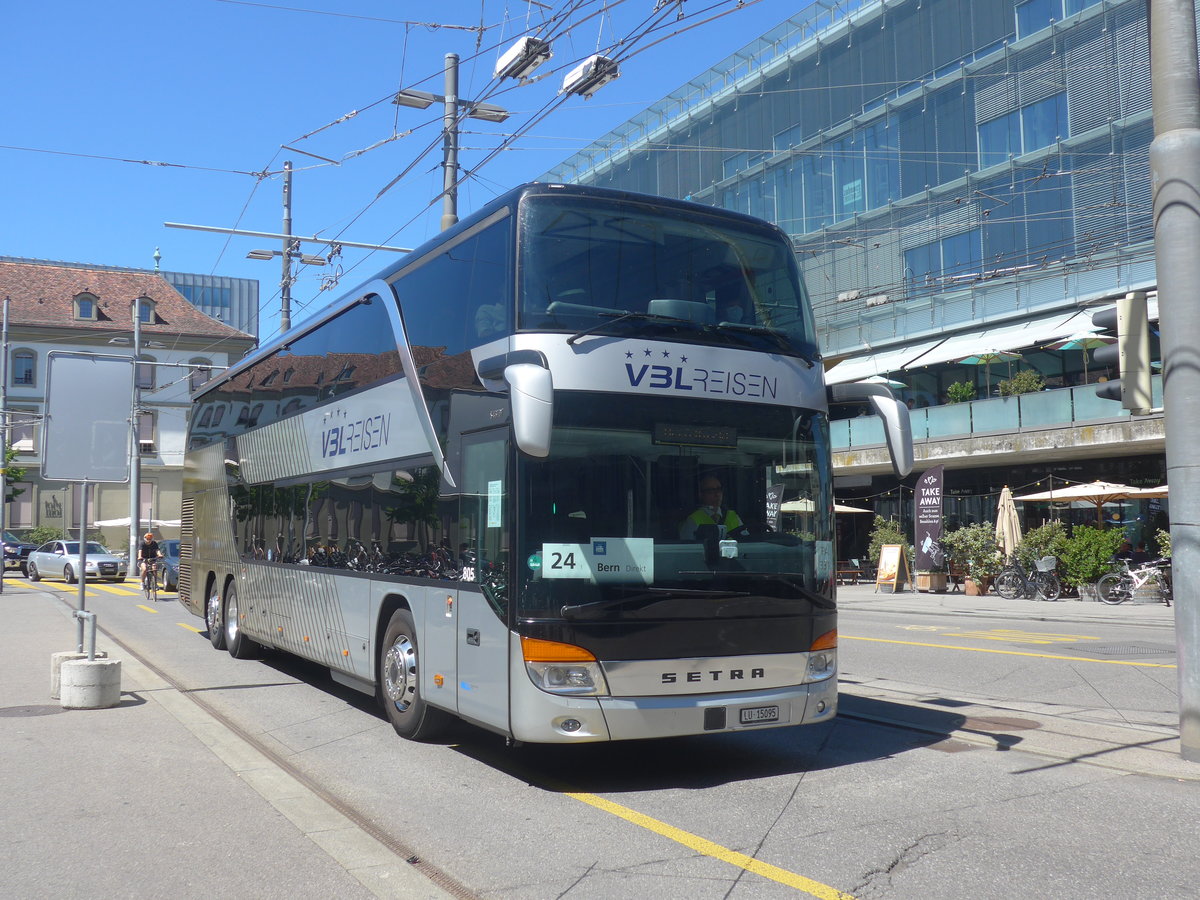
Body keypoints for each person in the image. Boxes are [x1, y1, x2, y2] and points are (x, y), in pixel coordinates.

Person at [679, 476, 748, 540]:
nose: (717, 494)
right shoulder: (692, 520)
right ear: (701, 494)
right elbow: (688, 549)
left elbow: (747, 542)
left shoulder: (733, 516)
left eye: (719, 489)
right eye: (711, 490)